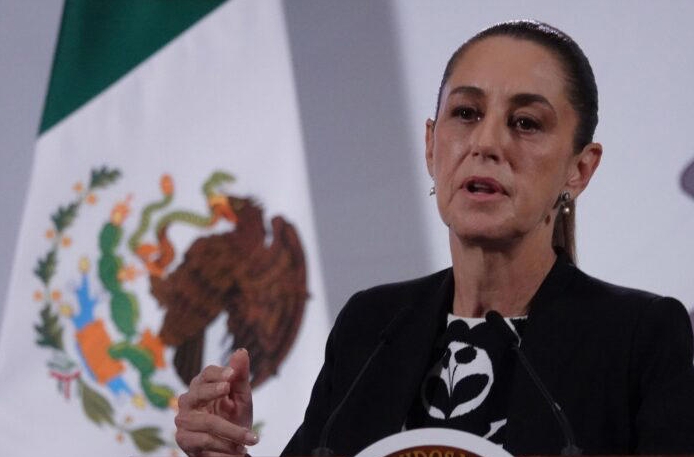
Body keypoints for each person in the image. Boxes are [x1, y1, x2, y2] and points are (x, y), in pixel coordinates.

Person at [174, 20, 694, 456]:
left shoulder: (639, 337)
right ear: (430, 145)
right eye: (466, 113)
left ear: (579, 170)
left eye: (525, 122)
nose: (487, 142)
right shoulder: (371, 327)